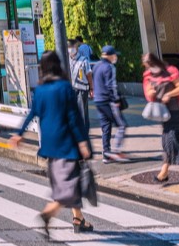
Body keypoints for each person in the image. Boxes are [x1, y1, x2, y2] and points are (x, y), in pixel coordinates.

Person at [9, 51, 94, 234]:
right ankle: (47, 214)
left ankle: (78, 219)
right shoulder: (64, 87)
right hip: (67, 144)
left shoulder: (39, 89)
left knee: (67, 181)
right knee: (67, 189)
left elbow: (32, 113)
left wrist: (19, 134)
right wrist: (82, 142)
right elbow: (73, 117)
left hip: (49, 145)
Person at [141, 53, 179, 181]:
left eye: (150, 65)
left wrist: (169, 94)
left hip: (174, 112)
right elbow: (147, 92)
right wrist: (151, 92)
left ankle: (164, 172)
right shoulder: (148, 76)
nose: (149, 68)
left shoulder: (170, 72)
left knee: (169, 140)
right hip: (162, 113)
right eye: (147, 66)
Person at [90, 45, 129, 163]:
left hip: (98, 101)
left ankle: (106, 153)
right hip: (109, 101)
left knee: (106, 127)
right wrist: (116, 100)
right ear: (110, 55)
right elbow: (111, 86)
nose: (115, 57)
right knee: (122, 125)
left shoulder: (96, 66)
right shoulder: (109, 67)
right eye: (114, 55)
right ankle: (116, 152)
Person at [69, 42, 94, 129]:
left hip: (82, 90)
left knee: (83, 112)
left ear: (76, 48)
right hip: (71, 90)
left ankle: (84, 132)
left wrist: (91, 88)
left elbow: (89, 74)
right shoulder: (68, 60)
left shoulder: (84, 60)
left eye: (72, 47)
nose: (70, 49)